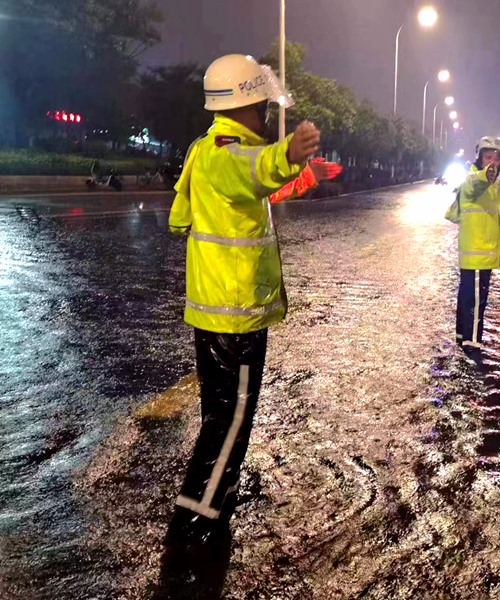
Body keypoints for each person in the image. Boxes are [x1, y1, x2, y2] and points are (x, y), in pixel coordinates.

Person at [167, 53, 339, 526]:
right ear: (244, 104)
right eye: (262, 104)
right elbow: (254, 170)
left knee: (222, 417)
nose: (265, 112)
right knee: (230, 420)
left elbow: (254, 191)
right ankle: (200, 515)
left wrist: (303, 175)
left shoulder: (207, 150)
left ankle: (211, 497)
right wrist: (287, 154)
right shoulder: (226, 152)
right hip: (234, 316)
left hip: (219, 312)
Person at [445, 136, 500, 352]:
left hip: (481, 255)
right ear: (478, 158)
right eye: (488, 157)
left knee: (468, 298)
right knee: (476, 303)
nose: (492, 162)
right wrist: (486, 175)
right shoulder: (471, 181)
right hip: (478, 255)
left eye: (496, 159)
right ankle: (472, 344)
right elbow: (477, 183)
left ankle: (462, 338)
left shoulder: (496, 187)